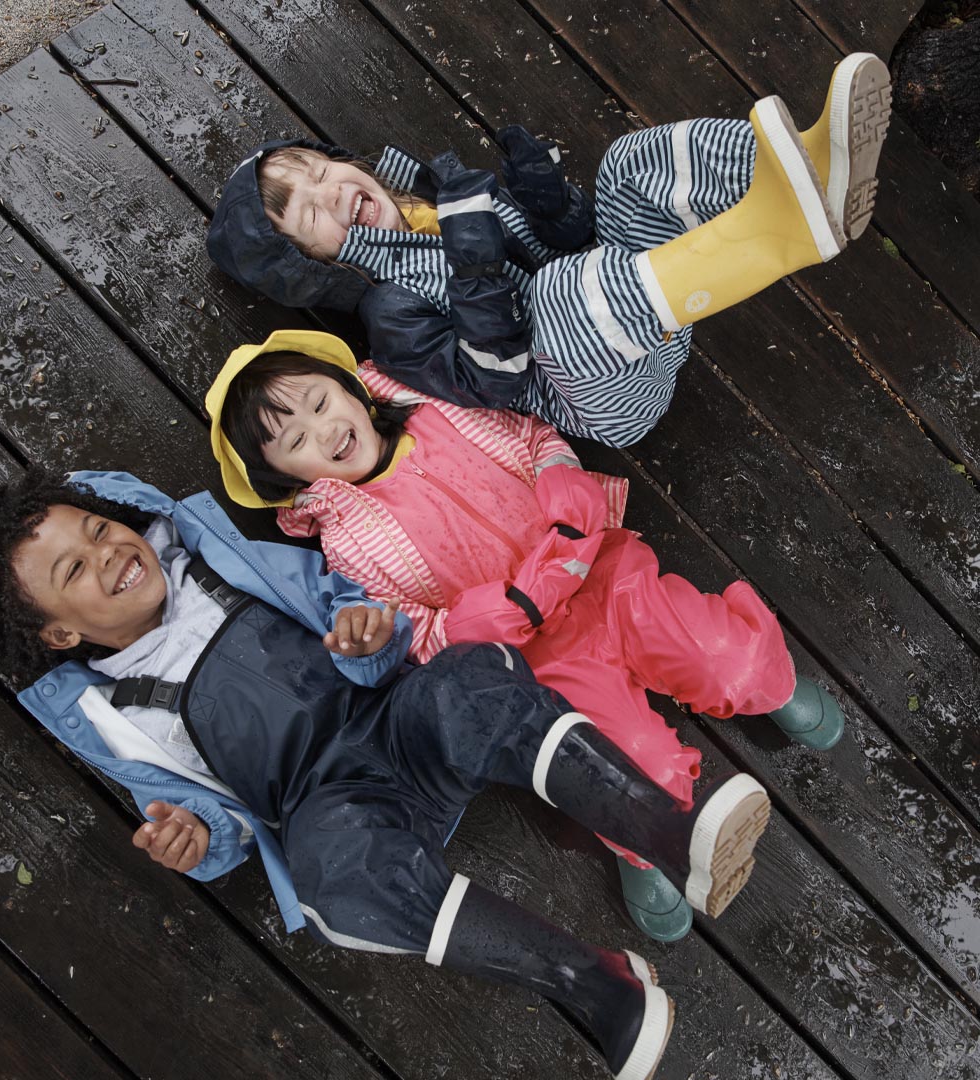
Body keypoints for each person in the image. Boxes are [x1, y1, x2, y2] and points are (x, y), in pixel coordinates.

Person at [0, 467, 778, 1080]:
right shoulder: (116, 719)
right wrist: (196, 841)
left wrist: (366, 637)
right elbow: (218, 830)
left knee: (471, 681)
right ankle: (595, 985)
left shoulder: (221, 562)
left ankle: (668, 831)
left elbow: (359, 614)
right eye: (73, 571)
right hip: (334, 809)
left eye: (97, 529)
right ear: (60, 636)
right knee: (335, 890)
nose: (106, 554)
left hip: (397, 723)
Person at [206, 329, 846, 942]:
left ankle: (771, 685)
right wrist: (484, 619)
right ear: (286, 480)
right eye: (296, 439)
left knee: (723, 656)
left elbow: (534, 439)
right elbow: (415, 634)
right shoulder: (346, 544)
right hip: (540, 657)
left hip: (602, 572)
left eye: (321, 402)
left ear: (351, 388)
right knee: (623, 764)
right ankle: (642, 847)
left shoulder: (438, 409)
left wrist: (566, 487)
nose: (324, 430)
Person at [207, 54, 891, 450]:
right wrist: (475, 258)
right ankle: (783, 232)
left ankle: (809, 167)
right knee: (557, 299)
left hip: (652, 302)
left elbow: (572, 246)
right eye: (309, 213)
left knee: (627, 166)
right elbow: (496, 377)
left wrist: (550, 206)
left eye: (319, 170)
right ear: (312, 267)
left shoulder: (436, 197)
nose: (330, 192)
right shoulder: (390, 316)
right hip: (606, 390)